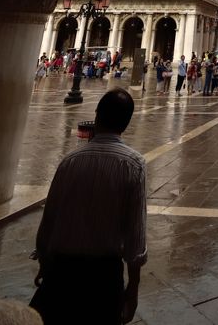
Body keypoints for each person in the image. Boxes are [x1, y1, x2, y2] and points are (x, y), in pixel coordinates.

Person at [31, 89, 146, 325]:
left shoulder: (69, 161)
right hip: (103, 277)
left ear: (97, 116)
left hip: (61, 273)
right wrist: (133, 290)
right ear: (126, 123)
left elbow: (49, 217)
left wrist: (44, 261)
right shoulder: (133, 165)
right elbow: (135, 237)